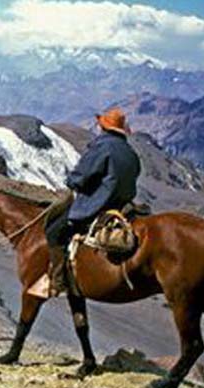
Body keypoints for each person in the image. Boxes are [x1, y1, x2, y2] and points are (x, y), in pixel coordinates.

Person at [27, 108, 141, 299]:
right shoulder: (130, 152)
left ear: (103, 127)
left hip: (99, 204)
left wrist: (72, 181)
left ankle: (58, 281)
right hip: (123, 204)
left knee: (54, 231)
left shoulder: (103, 147)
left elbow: (80, 178)